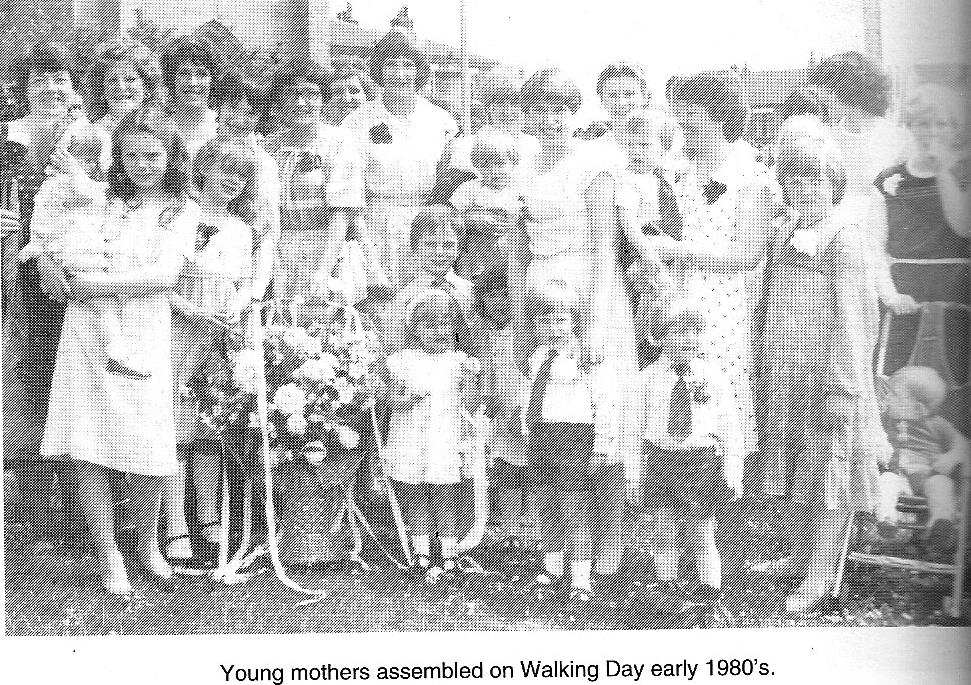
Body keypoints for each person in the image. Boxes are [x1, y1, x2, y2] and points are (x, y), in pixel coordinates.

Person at [40, 106, 200, 594]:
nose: (142, 166)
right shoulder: (102, 198)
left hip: (141, 328)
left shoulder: (181, 210)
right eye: (130, 156)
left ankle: (149, 542)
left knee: (148, 440)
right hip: (86, 329)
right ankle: (110, 554)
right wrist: (49, 263)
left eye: (152, 155)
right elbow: (52, 229)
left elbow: (164, 276)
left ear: (171, 156)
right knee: (87, 439)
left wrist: (94, 286)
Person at [750, 129, 888, 613]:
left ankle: (820, 573)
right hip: (785, 376)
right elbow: (767, 304)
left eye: (815, 180)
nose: (805, 190)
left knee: (830, 477)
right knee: (800, 470)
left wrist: (844, 386)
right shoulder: (785, 233)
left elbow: (854, 322)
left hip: (829, 379)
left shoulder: (843, 241)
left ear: (834, 184)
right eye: (794, 180)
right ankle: (801, 554)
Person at [510, 67, 637, 584]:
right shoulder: (527, 167)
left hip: (590, 303)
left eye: (563, 110)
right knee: (550, 438)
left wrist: (592, 326)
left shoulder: (596, 165)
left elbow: (605, 250)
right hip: (543, 310)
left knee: (595, 446)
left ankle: (603, 562)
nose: (553, 121)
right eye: (542, 110)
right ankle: (552, 558)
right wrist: (522, 318)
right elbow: (521, 246)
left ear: (575, 113)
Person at [649, 72, 778, 459]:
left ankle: (729, 502)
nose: (681, 122)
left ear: (717, 117)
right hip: (680, 298)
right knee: (678, 390)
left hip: (726, 304)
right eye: (678, 113)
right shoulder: (677, 174)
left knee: (721, 398)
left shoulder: (752, 177)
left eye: (690, 112)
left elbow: (746, 255)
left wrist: (677, 251)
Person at [4, 42, 87, 546]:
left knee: (75, 386)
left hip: (76, 279)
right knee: (27, 384)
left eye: (62, 82)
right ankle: (35, 507)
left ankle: (79, 512)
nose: (53, 91)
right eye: (42, 83)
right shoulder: (6, 143)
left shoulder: (91, 141)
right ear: (26, 93)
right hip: (19, 279)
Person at [166, 138, 256, 567]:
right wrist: (196, 313)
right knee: (174, 424)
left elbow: (239, 282)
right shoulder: (181, 216)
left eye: (241, 178)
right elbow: (163, 282)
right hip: (179, 325)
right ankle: (175, 522)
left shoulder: (242, 229)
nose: (233, 183)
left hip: (218, 330)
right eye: (226, 172)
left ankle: (208, 514)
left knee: (209, 425)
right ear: (203, 170)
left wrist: (234, 308)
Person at [871, 82, 969, 433]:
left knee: (956, 394)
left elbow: (962, 227)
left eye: (941, 124)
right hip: (905, 300)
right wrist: (890, 294)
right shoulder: (888, 179)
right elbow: (878, 245)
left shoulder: (963, 173)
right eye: (923, 123)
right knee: (897, 392)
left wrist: (944, 167)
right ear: (909, 125)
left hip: (956, 297)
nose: (931, 132)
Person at [514, 286, 617, 617]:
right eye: (547, 320)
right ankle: (550, 572)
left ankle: (582, 580)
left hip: (575, 437)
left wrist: (602, 442)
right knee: (546, 506)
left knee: (574, 510)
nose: (554, 327)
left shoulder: (586, 358)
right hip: (545, 435)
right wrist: (526, 427)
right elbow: (532, 392)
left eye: (561, 319)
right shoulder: (539, 358)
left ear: (575, 321)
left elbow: (602, 401)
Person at [636, 301, 743, 603]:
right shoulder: (649, 378)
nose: (688, 338)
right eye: (679, 331)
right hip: (662, 458)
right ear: (660, 336)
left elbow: (730, 428)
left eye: (695, 331)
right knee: (663, 527)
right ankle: (665, 586)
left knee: (702, 530)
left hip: (702, 461)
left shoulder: (714, 377)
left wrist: (733, 471)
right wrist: (634, 471)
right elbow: (634, 427)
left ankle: (710, 593)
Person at [22, 124, 149, 378]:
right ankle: (115, 349)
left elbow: (98, 198)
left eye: (89, 161)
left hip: (79, 252)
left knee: (103, 304)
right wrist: (38, 248)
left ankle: (115, 349)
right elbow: (78, 199)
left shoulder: (86, 184)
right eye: (76, 157)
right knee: (104, 301)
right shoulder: (62, 184)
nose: (86, 167)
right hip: (72, 252)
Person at [343, 31, 458, 290]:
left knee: (425, 310)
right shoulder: (356, 122)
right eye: (391, 65)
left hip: (428, 228)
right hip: (375, 226)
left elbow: (451, 183)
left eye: (408, 65)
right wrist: (368, 256)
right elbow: (351, 193)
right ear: (379, 70)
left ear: (419, 71)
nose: (400, 74)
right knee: (380, 308)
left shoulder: (440, 121)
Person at [382, 288, 481, 581]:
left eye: (445, 324)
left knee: (444, 494)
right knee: (415, 494)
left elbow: (472, 404)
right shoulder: (403, 362)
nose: (438, 331)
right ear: (414, 329)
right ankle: (421, 551)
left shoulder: (457, 362)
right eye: (429, 325)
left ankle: (449, 552)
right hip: (411, 439)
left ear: (454, 327)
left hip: (443, 439)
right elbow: (389, 401)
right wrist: (406, 400)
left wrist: (470, 381)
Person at [263, 58, 366, 319]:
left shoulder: (338, 143)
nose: (303, 103)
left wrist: (322, 270)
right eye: (294, 95)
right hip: (278, 252)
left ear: (322, 100)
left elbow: (341, 214)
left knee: (324, 329)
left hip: (324, 248)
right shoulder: (268, 148)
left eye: (312, 94)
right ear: (279, 104)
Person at [877, 366, 970, 559]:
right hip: (898, 477)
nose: (888, 398)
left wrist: (950, 457)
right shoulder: (887, 420)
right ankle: (887, 519)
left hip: (930, 476)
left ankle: (940, 525)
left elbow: (964, 446)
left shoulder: (938, 425)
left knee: (942, 486)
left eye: (895, 395)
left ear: (918, 408)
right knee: (886, 480)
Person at [613, 112, 683, 367]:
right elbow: (628, 222)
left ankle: (663, 335)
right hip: (640, 246)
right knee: (652, 289)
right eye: (631, 145)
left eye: (644, 145)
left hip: (663, 244)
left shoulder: (661, 177)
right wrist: (646, 253)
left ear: (662, 150)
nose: (636, 152)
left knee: (665, 291)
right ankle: (646, 338)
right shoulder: (629, 181)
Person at [474, 261, 535, 548]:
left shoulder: (523, 332)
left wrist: (523, 405)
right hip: (501, 408)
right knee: (505, 467)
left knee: (533, 467)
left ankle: (532, 524)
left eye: (504, 299)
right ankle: (510, 525)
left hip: (528, 406)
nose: (498, 306)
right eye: (491, 301)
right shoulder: (484, 334)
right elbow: (486, 370)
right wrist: (488, 399)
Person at [211, 71, 281, 306]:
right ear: (219, 105)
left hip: (238, 275)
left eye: (251, 113)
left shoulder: (264, 165)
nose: (240, 120)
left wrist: (252, 292)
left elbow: (267, 233)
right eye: (232, 107)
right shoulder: (199, 151)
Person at [378, 205, 479, 355]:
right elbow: (393, 349)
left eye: (448, 245)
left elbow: (479, 343)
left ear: (459, 249)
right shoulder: (402, 300)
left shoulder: (470, 292)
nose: (439, 252)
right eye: (430, 244)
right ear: (415, 248)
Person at [449, 130, 522, 281]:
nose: (493, 172)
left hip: (508, 258)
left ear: (513, 162)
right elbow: (449, 218)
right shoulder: (471, 188)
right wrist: (470, 220)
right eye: (486, 166)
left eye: (500, 164)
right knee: (471, 294)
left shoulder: (518, 190)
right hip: (475, 258)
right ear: (477, 166)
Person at [160, 37, 220, 162]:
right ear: (172, 80)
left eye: (202, 74)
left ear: (212, 80)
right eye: (184, 73)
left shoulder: (225, 126)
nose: (193, 82)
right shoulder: (158, 128)